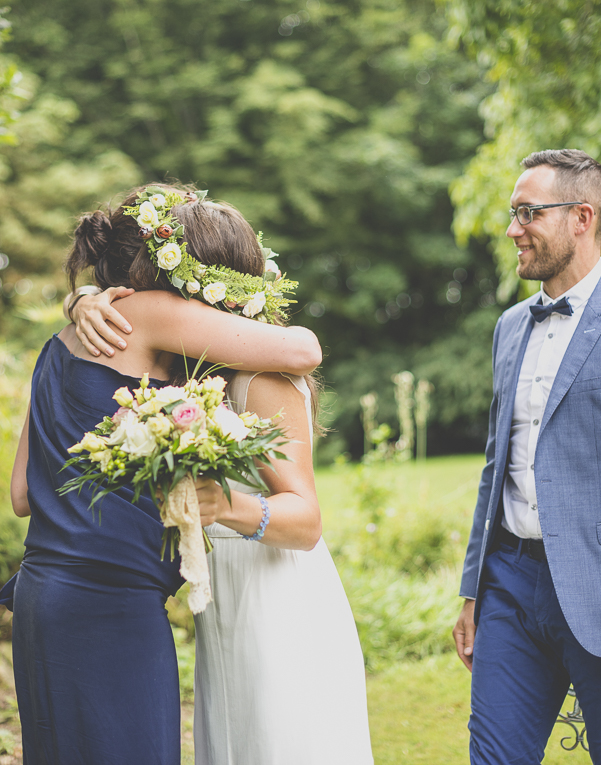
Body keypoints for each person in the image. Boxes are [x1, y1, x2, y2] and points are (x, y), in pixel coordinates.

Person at [6, 184, 324, 764]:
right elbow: (304, 349)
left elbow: (22, 494)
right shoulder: (148, 313)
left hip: (40, 597)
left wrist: (80, 299)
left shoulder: (58, 344)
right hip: (110, 604)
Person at [72, 244, 373, 765]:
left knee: (272, 741)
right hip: (227, 592)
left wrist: (223, 503)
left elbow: (306, 522)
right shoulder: (195, 373)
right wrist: (81, 299)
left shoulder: (260, 379)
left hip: (273, 593)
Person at [451, 149, 601, 764]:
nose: (514, 229)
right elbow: (495, 463)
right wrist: (472, 589)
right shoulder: (510, 326)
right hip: (508, 583)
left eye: (528, 212)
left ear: (582, 217)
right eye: (513, 213)